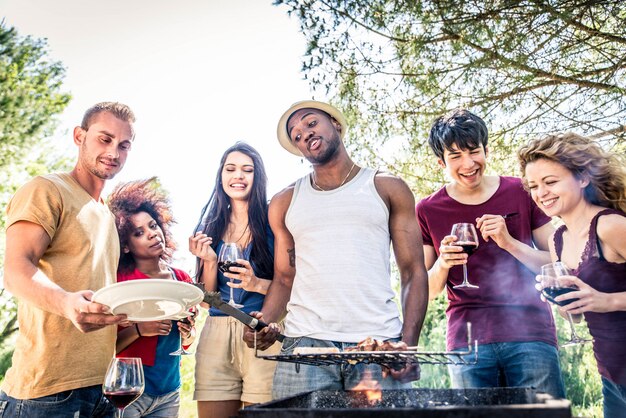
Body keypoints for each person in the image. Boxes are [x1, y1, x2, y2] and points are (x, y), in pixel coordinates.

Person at [243, 100, 429, 399]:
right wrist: (263, 321)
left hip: (378, 345)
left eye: (310, 122)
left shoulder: (387, 187)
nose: (304, 133)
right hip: (305, 348)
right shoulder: (284, 202)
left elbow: (413, 271)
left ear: (336, 124)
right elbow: (284, 278)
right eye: (296, 135)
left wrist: (406, 346)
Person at [415, 108, 565, 398]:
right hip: (466, 342)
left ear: (486, 150)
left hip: (530, 333)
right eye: (455, 156)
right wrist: (444, 263)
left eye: (474, 151)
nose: (468, 163)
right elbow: (425, 289)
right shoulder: (427, 209)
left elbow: (558, 263)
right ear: (440, 163)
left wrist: (509, 242)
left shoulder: (521, 191)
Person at [0, 102, 135, 417]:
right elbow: (16, 270)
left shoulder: (107, 215)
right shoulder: (47, 190)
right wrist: (67, 304)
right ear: (79, 136)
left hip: (104, 390)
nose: (114, 152)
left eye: (124, 145)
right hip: (46, 393)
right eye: (105, 139)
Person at [519, 132, 626, 417]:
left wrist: (607, 301)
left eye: (550, 182)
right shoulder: (558, 240)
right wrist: (561, 301)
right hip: (612, 377)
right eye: (533, 186)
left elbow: (602, 301)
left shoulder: (610, 226)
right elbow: (576, 315)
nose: (541, 193)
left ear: (583, 178)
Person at [189, 142, 280, 418]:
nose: (238, 176)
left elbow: (291, 284)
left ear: (257, 177)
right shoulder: (209, 226)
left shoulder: (274, 221)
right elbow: (207, 300)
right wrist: (209, 262)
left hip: (261, 329)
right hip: (216, 333)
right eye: (230, 169)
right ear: (221, 176)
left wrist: (256, 284)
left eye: (247, 170)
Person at [107, 177, 196, 417]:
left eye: (153, 225)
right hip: (128, 392)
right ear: (125, 245)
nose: (152, 234)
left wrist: (188, 332)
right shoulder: (118, 283)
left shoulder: (182, 279)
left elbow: (184, 341)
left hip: (169, 392)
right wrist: (138, 329)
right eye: (139, 232)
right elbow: (104, 346)